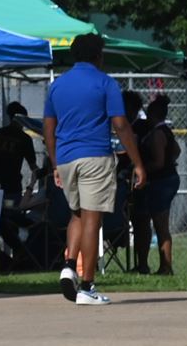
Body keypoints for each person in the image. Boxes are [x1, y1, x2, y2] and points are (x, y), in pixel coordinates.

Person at [44, 34, 146, 304]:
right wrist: (137, 162)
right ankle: (87, 286)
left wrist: (55, 163)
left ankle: (68, 265)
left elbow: (49, 128)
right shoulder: (105, 83)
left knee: (76, 215)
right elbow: (121, 124)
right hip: (95, 156)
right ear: (98, 56)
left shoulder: (57, 85)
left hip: (66, 158)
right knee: (93, 220)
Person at [134, 93, 180, 275]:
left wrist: (142, 169)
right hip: (167, 179)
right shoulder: (166, 131)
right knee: (157, 224)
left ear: (153, 115)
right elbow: (177, 150)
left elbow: (159, 162)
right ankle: (161, 266)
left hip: (162, 182)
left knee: (161, 226)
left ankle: (166, 267)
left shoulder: (157, 134)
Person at [0, 100, 41, 198]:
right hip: (12, 185)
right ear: (23, 119)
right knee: (13, 210)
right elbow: (33, 166)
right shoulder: (24, 138)